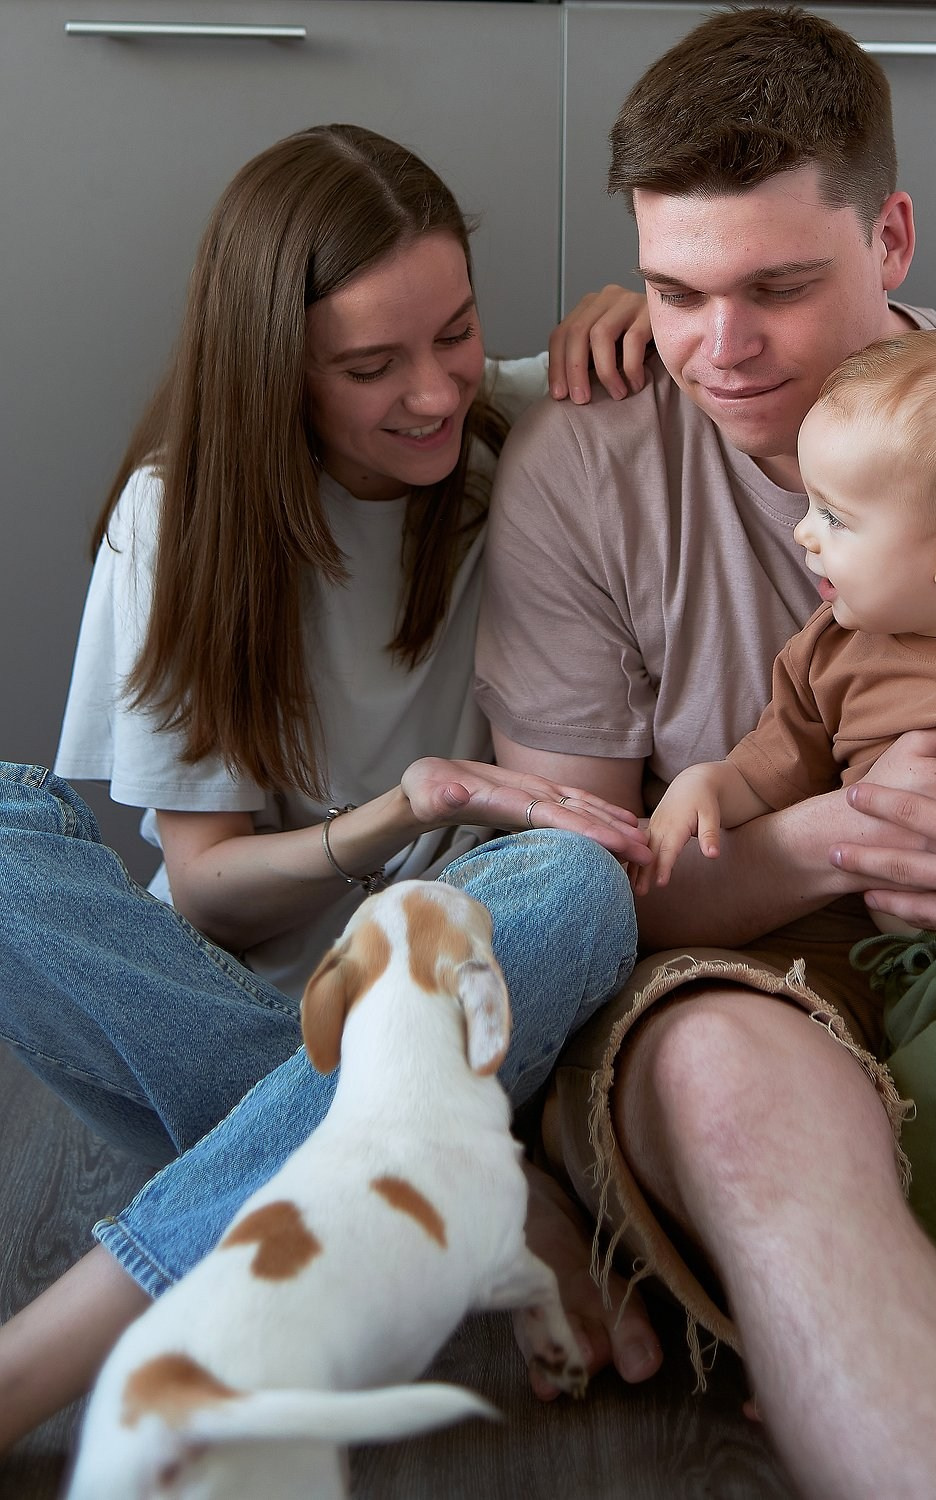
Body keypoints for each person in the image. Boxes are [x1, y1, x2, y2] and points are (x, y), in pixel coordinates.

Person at [474, 9, 936, 1497]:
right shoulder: (589, 465)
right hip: (738, 981)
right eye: (675, 291)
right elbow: (582, 904)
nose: (721, 349)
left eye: (777, 286)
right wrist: (853, 830)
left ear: (890, 237)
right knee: (746, 1098)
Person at [0, 123, 655, 1450]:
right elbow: (208, 892)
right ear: (275, 369)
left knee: (577, 881)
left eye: (457, 332)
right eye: (370, 368)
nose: (434, 391)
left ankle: (37, 1360)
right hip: (234, 1014)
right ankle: (476, 1172)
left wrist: (649, 317)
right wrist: (407, 810)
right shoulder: (178, 518)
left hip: (468, 995)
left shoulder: (530, 435)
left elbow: (784, 383)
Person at [638, 326, 936, 1324]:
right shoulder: (834, 650)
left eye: (835, 516)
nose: (804, 535)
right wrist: (705, 788)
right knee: (871, 1136)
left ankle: (903, 1334)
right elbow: (774, 762)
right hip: (908, 970)